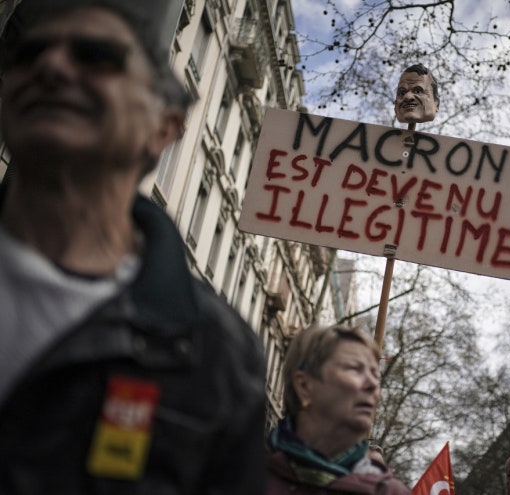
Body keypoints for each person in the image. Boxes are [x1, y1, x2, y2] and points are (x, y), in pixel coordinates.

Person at [0, 1, 266, 493]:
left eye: (96, 56)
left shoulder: (218, 358)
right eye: (28, 54)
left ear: (163, 128)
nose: (52, 67)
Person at [266, 324, 410, 495]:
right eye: (355, 369)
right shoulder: (241, 472)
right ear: (304, 386)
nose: (373, 385)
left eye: (375, 375)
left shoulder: (391, 493)